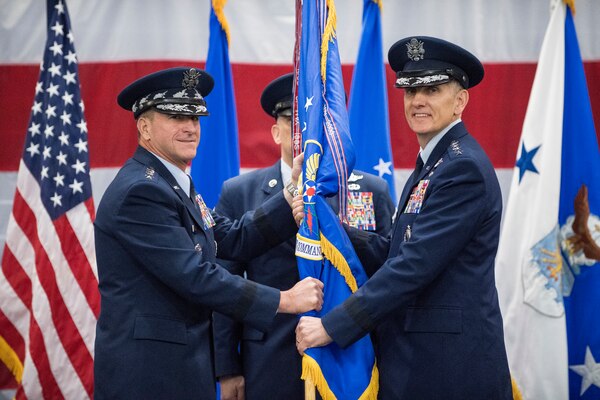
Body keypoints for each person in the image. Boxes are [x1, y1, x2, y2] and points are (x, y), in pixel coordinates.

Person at [295, 37, 513, 399]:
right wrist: (328, 225)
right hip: (419, 363)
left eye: (432, 89)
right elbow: (396, 249)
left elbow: (413, 266)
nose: (418, 101)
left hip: (449, 371)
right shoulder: (435, 163)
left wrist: (333, 326)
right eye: (410, 91)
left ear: (461, 101)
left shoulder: (463, 169)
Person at [93, 67, 324, 400]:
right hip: (150, 375)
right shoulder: (141, 191)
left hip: (179, 366)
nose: (190, 128)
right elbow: (196, 277)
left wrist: (290, 197)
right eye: (176, 117)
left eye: (195, 119)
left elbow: (229, 237)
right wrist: (284, 300)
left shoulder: (169, 182)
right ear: (144, 126)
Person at [213, 73, 395, 400]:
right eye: (294, 121)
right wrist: (228, 368)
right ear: (276, 131)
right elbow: (225, 283)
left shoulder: (370, 190)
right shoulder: (240, 192)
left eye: (315, 122)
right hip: (269, 359)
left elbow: (387, 271)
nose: (306, 132)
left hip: (350, 358)